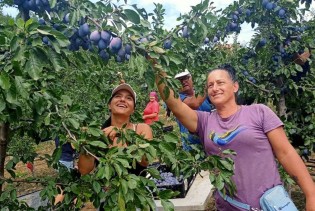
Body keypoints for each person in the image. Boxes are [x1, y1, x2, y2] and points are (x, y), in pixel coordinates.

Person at [153, 63, 315, 210]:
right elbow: (174, 103)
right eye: (210, 85)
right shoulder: (204, 120)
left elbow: (286, 153)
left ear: (235, 86)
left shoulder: (259, 112)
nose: (214, 88)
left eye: (220, 83)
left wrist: (311, 194)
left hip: (268, 205)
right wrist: (155, 63)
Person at [78, 83, 153, 175]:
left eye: (129, 98)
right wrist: (89, 142)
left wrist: (121, 133)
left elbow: (145, 160)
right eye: (118, 96)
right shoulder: (99, 133)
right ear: (109, 105)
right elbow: (84, 170)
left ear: (133, 109)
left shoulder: (141, 129)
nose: (122, 99)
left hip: (135, 188)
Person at [174, 69, 212, 150]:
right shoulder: (176, 98)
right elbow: (194, 103)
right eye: (180, 80)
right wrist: (208, 83)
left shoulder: (202, 95)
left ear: (191, 78)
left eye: (186, 78)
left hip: (210, 140)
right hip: (192, 148)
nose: (183, 81)